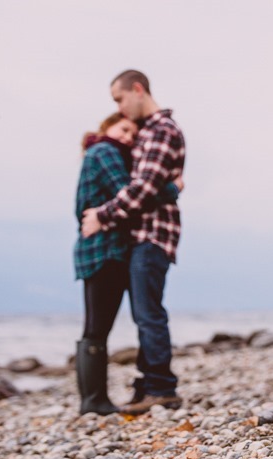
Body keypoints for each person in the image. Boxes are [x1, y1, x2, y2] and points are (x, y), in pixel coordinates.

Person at [82, 69, 186, 416]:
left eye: (119, 99)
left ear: (137, 90)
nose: (120, 108)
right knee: (146, 314)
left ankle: (160, 388)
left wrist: (102, 216)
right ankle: (149, 386)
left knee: (148, 315)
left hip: (152, 235)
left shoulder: (161, 130)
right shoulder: (149, 132)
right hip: (143, 236)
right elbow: (152, 185)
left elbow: (142, 189)